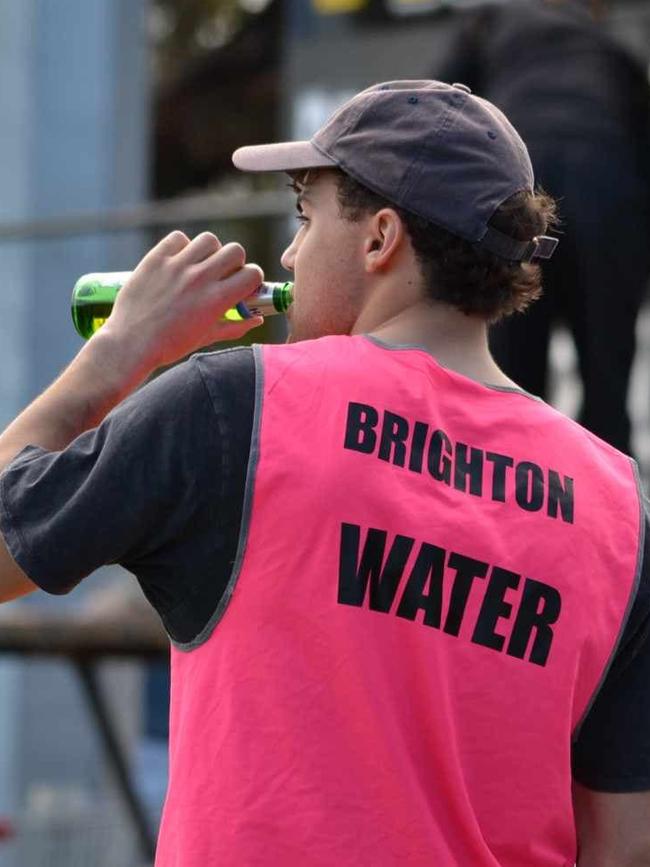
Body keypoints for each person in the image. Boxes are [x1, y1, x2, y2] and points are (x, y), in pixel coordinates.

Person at [0, 81, 648, 866]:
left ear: (380, 238)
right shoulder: (616, 505)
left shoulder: (238, 406)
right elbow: (624, 843)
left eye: (306, 216)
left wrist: (115, 356)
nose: (289, 253)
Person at [430, 0, 650, 454]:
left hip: (518, 186)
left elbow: (438, 107)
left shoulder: (490, 20)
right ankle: (609, 507)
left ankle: (512, 488)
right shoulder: (613, 52)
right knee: (607, 376)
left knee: (511, 370)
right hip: (609, 189)